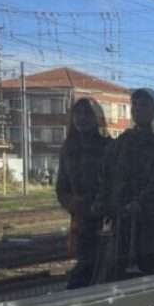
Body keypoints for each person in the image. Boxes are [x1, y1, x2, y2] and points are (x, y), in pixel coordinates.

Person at [91, 88, 154, 281]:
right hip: (122, 222)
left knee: (151, 272)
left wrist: (141, 203)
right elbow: (106, 175)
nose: (137, 109)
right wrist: (102, 202)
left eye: (144, 105)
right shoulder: (122, 141)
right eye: (135, 105)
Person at [55, 98, 111, 289]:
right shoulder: (69, 149)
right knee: (87, 262)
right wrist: (72, 202)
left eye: (87, 114)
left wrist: (102, 204)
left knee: (95, 266)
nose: (82, 118)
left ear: (97, 118)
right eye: (78, 114)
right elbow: (61, 187)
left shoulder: (108, 146)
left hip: (106, 219)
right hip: (81, 220)